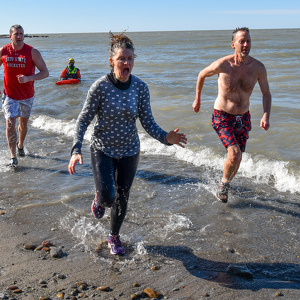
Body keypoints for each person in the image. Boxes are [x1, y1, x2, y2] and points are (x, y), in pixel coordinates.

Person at [68, 32, 187, 255]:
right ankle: (100, 196)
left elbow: (148, 122)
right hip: (102, 149)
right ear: (112, 60)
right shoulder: (100, 87)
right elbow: (83, 119)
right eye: (122, 58)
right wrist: (75, 149)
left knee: (122, 197)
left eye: (130, 59)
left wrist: (166, 138)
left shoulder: (140, 88)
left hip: (130, 150)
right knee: (108, 197)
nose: (126, 63)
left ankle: (114, 236)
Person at [193, 27, 271, 203]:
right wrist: (197, 99)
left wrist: (266, 115)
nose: (246, 44)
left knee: (238, 158)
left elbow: (266, 94)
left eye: (248, 41)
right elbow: (201, 74)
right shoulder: (224, 64)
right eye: (242, 41)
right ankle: (223, 186)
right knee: (234, 154)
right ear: (233, 44)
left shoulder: (258, 68)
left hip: (243, 117)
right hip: (222, 115)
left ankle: (224, 184)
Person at [0, 24, 49, 167]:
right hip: (9, 95)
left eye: (21, 34)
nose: (20, 36)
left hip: (27, 96)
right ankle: (13, 157)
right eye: (16, 34)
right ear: (10, 36)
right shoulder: (4, 51)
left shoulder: (32, 52)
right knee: (10, 124)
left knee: (23, 124)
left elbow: (45, 72)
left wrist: (28, 78)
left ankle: (20, 145)